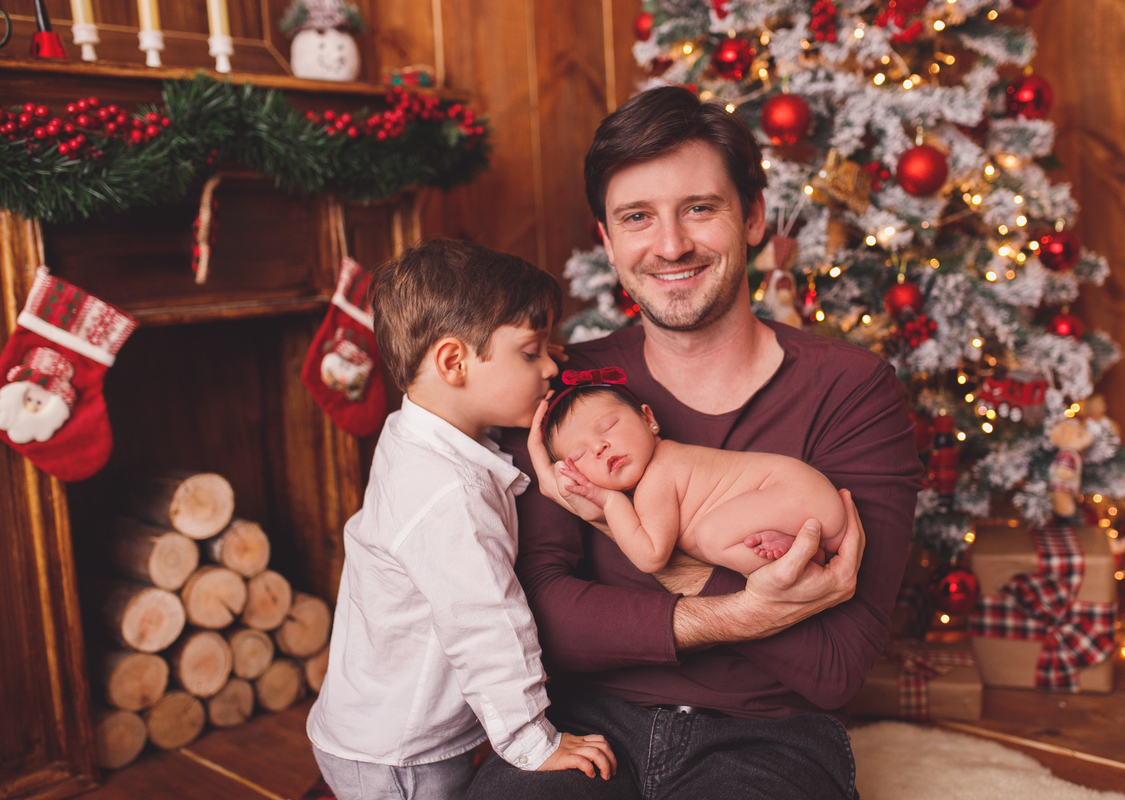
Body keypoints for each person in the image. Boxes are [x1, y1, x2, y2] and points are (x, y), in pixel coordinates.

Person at [468, 86, 923, 799]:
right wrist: (746, 608)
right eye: (638, 218)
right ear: (607, 239)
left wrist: (677, 570)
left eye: (700, 209)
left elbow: (838, 664)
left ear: (754, 218)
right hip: (581, 724)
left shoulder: (852, 390)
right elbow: (537, 616)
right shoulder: (568, 389)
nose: (671, 245)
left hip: (772, 735)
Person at [306, 239, 616, 800]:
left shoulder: (420, 432)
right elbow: (486, 622)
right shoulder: (447, 493)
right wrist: (534, 741)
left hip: (381, 729)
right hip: (400, 758)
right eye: (530, 352)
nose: (552, 365)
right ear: (453, 363)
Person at [534, 370, 848, 573]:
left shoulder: (659, 474)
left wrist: (609, 502)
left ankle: (802, 564)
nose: (600, 447)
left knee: (711, 535)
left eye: (609, 426)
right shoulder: (658, 473)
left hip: (797, 492)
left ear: (647, 419)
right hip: (804, 503)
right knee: (716, 533)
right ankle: (801, 551)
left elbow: (651, 557)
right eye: (580, 454)